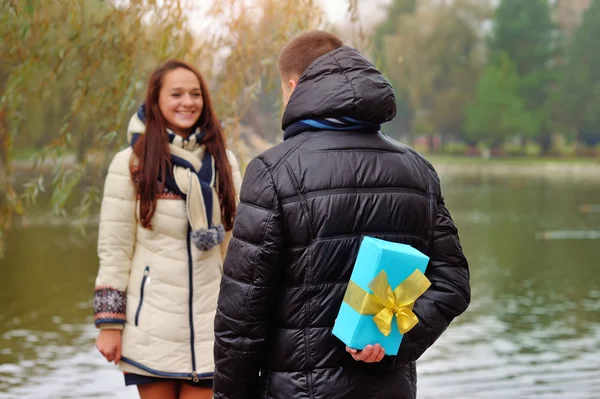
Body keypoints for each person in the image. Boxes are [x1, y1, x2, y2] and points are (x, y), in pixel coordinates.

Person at [213, 31, 470, 399]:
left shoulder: (273, 171)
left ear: (293, 85)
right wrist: (390, 337)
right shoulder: (418, 170)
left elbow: (241, 316)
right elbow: (453, 283)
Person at [94, 59, 242, 399]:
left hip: (210, 329)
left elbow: (235, 247)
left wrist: (243, 317)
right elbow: (115, 249)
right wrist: (109, 325)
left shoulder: (223, 161)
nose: (187, 102)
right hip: (151, 329)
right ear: (156, 101)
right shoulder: (132, 163)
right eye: (176, 94)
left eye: (195, 94)